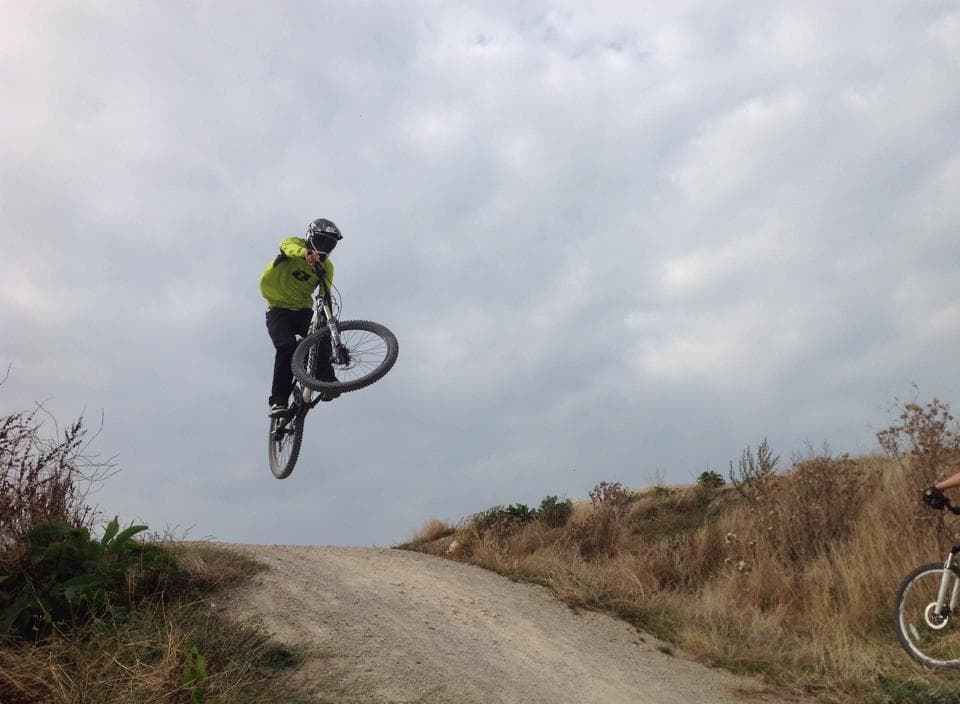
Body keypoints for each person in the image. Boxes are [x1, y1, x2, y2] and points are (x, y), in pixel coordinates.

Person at [260, 218, 342, 418]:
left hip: (302, 310)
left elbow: (325, 292)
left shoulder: (327, 267)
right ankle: (278, 401)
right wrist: (305, 254)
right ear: (310, 239)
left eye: (329, 245)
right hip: (277, 310)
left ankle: (326, 381)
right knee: (286, 347)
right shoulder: (295, 245)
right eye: (320, 242)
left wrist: (329, 318)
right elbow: (285, 246)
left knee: (320, 334)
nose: (324, 248)